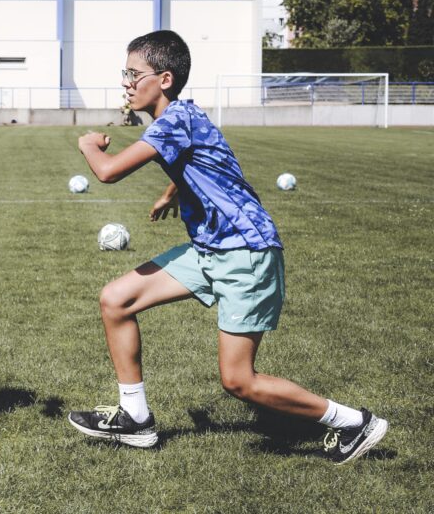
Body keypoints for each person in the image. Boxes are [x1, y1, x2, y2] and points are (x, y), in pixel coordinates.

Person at [67, 30, 387, 464]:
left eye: (133, 73)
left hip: (246, 253)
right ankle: (135, 418)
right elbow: (212, 164)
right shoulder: (182, 117)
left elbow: (106, 172)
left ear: (163, 79)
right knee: (116, 298)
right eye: (124, 73)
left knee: (238, 381)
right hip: (211, 249)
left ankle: (353, 422)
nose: (125, 82)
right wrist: (172, 192)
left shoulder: (174, 121)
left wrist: (87, 145)